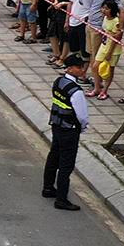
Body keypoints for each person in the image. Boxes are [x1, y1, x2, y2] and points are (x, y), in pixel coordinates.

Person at [45, 52, 91, 210]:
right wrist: (82, 128)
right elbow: (82, 116)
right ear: (70, 69)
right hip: (69, 130)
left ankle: (48, 188)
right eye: (79, 68)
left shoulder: (58, 82)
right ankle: (61, 199)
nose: (82, 70)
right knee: (66, 165)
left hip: (57, 125)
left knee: (53, 157)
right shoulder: (76, 91)